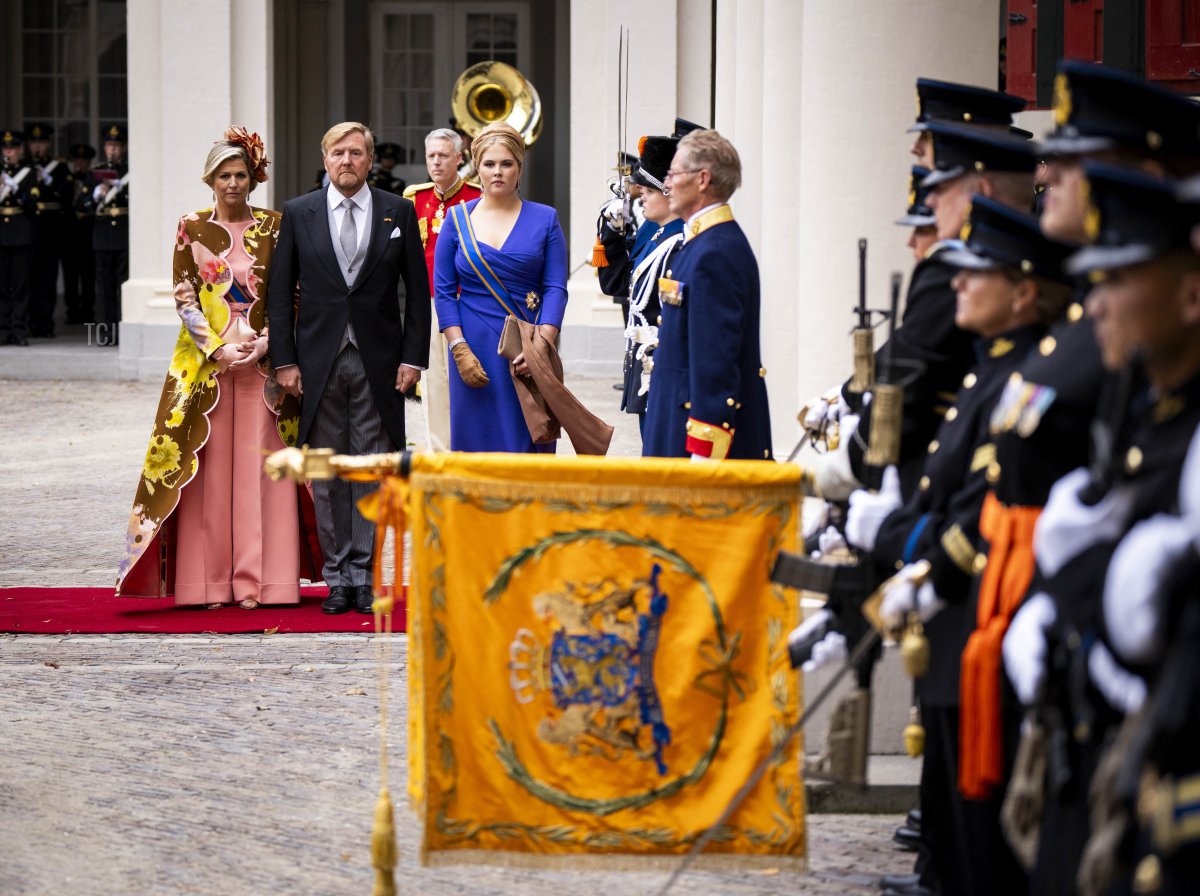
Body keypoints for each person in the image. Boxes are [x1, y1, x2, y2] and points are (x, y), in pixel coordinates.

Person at [846, 196, 1075, 896]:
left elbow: (982, 507)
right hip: (956, 612)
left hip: (983, 608)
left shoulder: (1018, 376)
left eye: (979, 274)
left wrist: (889, 537)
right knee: (955, 821)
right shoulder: (992, 368)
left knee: (982, 845)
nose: (959, 285)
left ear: (1025, 292)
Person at [116, 127, 318, 608]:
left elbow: (294, 294)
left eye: (241, 175)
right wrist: (215, 348)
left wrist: (269, 342)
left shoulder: (275, 225)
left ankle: (263, 584)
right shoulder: (191, 226)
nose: (233, 183)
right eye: (225, 175)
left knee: (263, 473)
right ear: (210, 180)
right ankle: (204, 584)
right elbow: (184, 297)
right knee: (206, 475)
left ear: (253, 178)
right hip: (206, 367)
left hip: (264, 368)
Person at [268, 122, 430, 616]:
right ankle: (337, 577)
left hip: (379, 362)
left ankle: (364, 576)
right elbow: (279, 295)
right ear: (326, 157)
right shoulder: (299, 213)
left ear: (369, 159)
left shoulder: (398, 211)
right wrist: (285, 361)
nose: (347, 161)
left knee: (371, 468)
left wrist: (412, 358)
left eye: (356, 153)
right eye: (338, 153)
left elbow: (417, 295)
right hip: (317, 362)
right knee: (329, 469)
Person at [433, 120, 568, 453]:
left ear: (519, 167)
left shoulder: (545, 218)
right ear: (476, 167)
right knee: (476, 443)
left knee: (527, 435)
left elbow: (555, 288)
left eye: (506, 163)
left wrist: (542, 343)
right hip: (473, 346)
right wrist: (458, 347)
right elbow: (445, 291)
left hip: (529, 343)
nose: (497, 172)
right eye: (489, 164)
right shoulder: (456, 219)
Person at [641, 128, 772, 460]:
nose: (666, 184)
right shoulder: (703, 243)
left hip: (692, 438)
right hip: (674, 421)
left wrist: (704, 453)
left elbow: (715, 362)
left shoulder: (715, 252)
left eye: (672, 174)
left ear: (702, 179)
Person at [403, 128, 481, 452]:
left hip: (467, 302)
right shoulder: (415, 198)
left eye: (443, 156)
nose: (436, 162)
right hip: (429, 302)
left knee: (469, 377)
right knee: (433, 382)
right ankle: (440, 453)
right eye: (431, 156)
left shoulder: (477, 198)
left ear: (459, 159)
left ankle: (471, 448)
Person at [612, 133, 684, 432]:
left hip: (659, 362)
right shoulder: (652, 232)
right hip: (643, 359)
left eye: (649, 190)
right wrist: (609, 231)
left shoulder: (680, 238)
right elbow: (617, 284)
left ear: (667, 192)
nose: (641, 195)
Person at [25, 123, 71, 339]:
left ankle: (45, 322)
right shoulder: (24, 167)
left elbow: (67, 196)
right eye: (34, 142)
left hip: (51, 229)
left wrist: (49, 181)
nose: (37, 147)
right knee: (28, 277)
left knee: (48, 277)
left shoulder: (59, 168)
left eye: (41, 143)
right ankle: (28, 321)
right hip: (28, 229)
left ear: (49, 143)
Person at [88, 124, 130, 343]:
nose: (112, 150)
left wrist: (121, 190)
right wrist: (97, 194)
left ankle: (123, 331)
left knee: (122, 285)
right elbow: (82, 204)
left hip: (122, 235)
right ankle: (106, 333)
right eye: (109, 146)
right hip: (103, 236)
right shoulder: (97, 172)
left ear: (123, 148)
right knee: (104, 288)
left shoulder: (129, 174)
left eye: (116, 146)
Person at [0, 129, 34, 347]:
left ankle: (19, 330)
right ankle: (3, 330)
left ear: (20, 150)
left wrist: (16, 189)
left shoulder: (27, 173)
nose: (9, 152)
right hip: (1, 234)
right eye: (5, 148)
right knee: (2, 285)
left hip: (21, 233)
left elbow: (32, 204)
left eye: (12, 148)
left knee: (20, 285)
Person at [62, 143, 97, 325]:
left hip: (88, 233)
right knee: (70, 275)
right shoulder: (67, 179)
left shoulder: (93, 179)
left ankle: (88, 310)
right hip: (69, 234)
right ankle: (71, 310)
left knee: (88, 274)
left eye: (84, 160)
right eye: (77, 160)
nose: (80, 164)